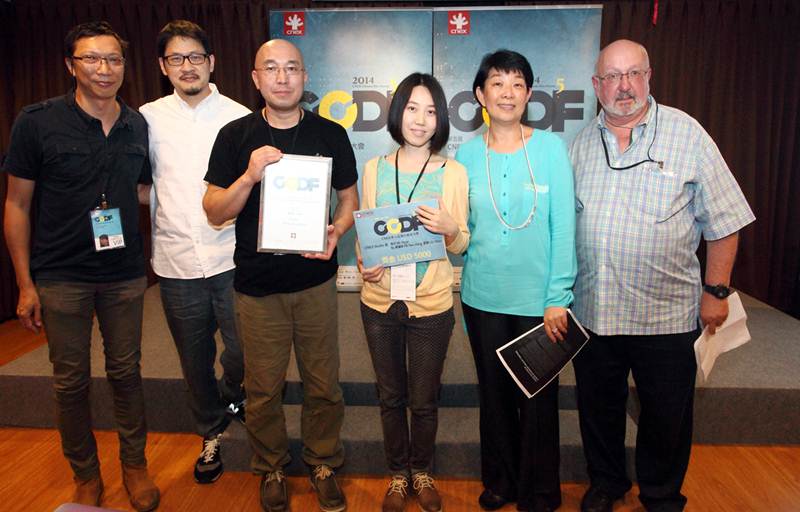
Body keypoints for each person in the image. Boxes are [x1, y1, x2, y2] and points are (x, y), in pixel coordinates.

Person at [569, 39, 755, 512]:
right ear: (596, 85)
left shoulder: (687, 134)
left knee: (666, 415)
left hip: (666, 315)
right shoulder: (579, 145)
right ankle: (607, 483)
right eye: (612, 76)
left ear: (649, 77)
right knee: (598, 409)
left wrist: (716, 291)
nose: (624, 86)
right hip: (594, 311)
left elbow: (726, 220)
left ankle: (660, 493)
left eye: (633, 73)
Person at [2, 21, 159, 511]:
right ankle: (86, 474)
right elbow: (17, 205)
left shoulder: (137, 125)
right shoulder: (37, 122)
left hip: (125, 274)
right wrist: (25, 284)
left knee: (127, 374)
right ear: (71, 65)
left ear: (125, 66)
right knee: (70, 382)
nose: (104, 68)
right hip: (61, 275)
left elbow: (143, 190)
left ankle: (135, 466)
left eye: (113, 59)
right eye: (91, 58)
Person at [202, 39, 358, 512]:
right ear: (256, 78)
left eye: (292, 68)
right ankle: (270, 465)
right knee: (263, 388)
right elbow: (214, 211)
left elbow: (349, 198)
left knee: (323, 383)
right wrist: (249, 176)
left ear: (305, 77)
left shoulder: (330, 133)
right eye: (271, 68)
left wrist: (337, 230)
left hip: (315, 283)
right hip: (257, 288)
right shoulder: (234, 136)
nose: (283, 77)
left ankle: (323, 461)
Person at [455, 50, 577, 512]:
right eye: (497, 83)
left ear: (528, 94)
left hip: (538, 302)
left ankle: (540, 491)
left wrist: (558, 296)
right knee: (495, 395)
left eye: (517, 83)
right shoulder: (465, 156)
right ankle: (500, 481)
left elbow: (563, 226)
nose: (507, 93)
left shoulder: (550, 149)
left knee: (539, 400)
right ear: (480, 94)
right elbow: (462, 231)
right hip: (482, 296)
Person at [138, 20, 250, 485]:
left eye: (196, 57)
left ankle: (236, 396)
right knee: (193, 359)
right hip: (176, 261)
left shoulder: (241, 117)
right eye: (176, 58)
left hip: (233, 258)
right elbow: (138, 184)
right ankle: (211, 430)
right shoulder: (145, 118)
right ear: (163, 66)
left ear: (212, 62)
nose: (188, 66)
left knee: (243, 351)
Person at [357, 73, 470, 512]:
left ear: (440, 119)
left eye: (430, 111)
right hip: (379, 302)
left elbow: (461, 243)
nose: (420, 120)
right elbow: (367, 235)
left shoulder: (453, 172)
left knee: (423, 399)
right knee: (390, 397)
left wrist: (450, 228)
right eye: (412, 108)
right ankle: (397, 475)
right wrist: (365, 262)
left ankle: (421, 470)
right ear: (398, 112)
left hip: (432, 305)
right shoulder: (374, 169)